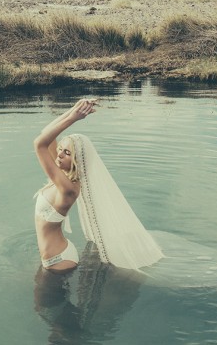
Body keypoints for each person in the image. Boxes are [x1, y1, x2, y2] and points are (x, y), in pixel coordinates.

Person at [33, 99, 164, 271]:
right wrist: (74, 109)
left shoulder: (68, 188)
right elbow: (47, 135)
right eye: (60, 149)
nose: (60, 155)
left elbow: (39, 144)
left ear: (77, 161)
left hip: (59, 260)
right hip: (55, 256)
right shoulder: (60, 174)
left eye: (67, 153)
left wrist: (73, 119)